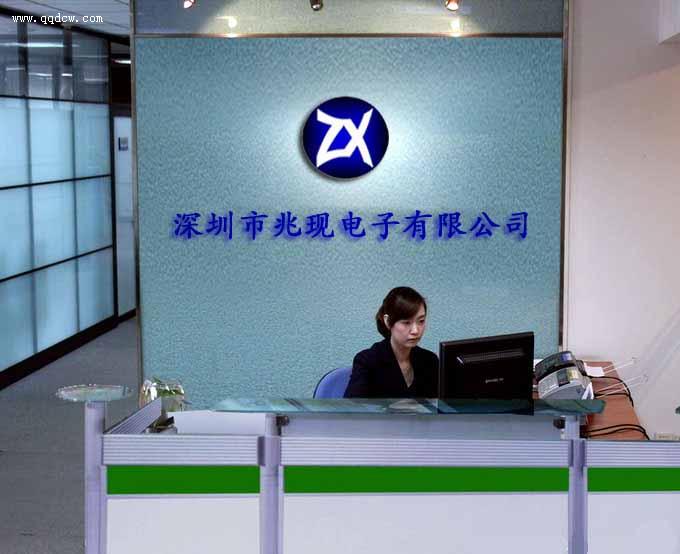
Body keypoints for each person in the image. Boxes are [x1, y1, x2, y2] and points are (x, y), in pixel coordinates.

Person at [344, 286, 438, 398]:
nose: (415, 331)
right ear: (388, 321)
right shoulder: (367, 361)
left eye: (421, 321)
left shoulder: (430, 360)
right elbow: (352, 406)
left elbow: (443, 404)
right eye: (406, 322)